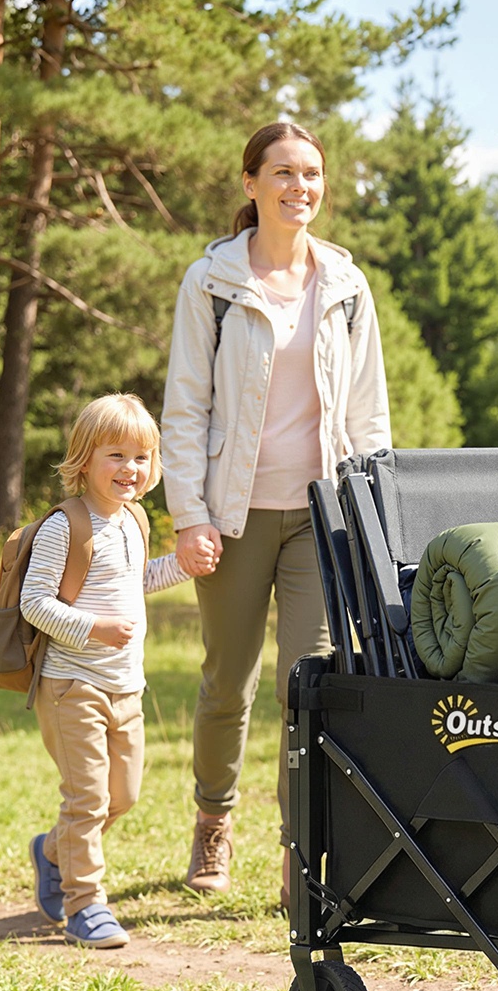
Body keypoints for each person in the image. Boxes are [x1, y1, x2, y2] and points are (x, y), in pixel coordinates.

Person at [161, 121, 391, 897]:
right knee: (229, 682)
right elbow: (186, 406)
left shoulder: (349, 287)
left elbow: (369, 417)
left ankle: (302, 852)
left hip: (319, 517)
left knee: (308, 687)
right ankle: (213, 824)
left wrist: (370, 515)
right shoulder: (214, 283)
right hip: (233, 516)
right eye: (284, 173)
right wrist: (189, 513)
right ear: (251, 183)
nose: (301, 187)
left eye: (313, 174)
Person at [26, 394, 189, 949]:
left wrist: (182, 567)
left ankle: (53, 850)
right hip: (74, 684)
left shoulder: (134, 520)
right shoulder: (64, 526)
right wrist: (94, 628)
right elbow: (36, 604)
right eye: (115, 455)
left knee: (125, 795)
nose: (130, 469)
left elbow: (135, 582)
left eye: (141, 458)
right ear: (84, 458)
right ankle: (85, 905)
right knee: (88, 800)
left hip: (126, 685)